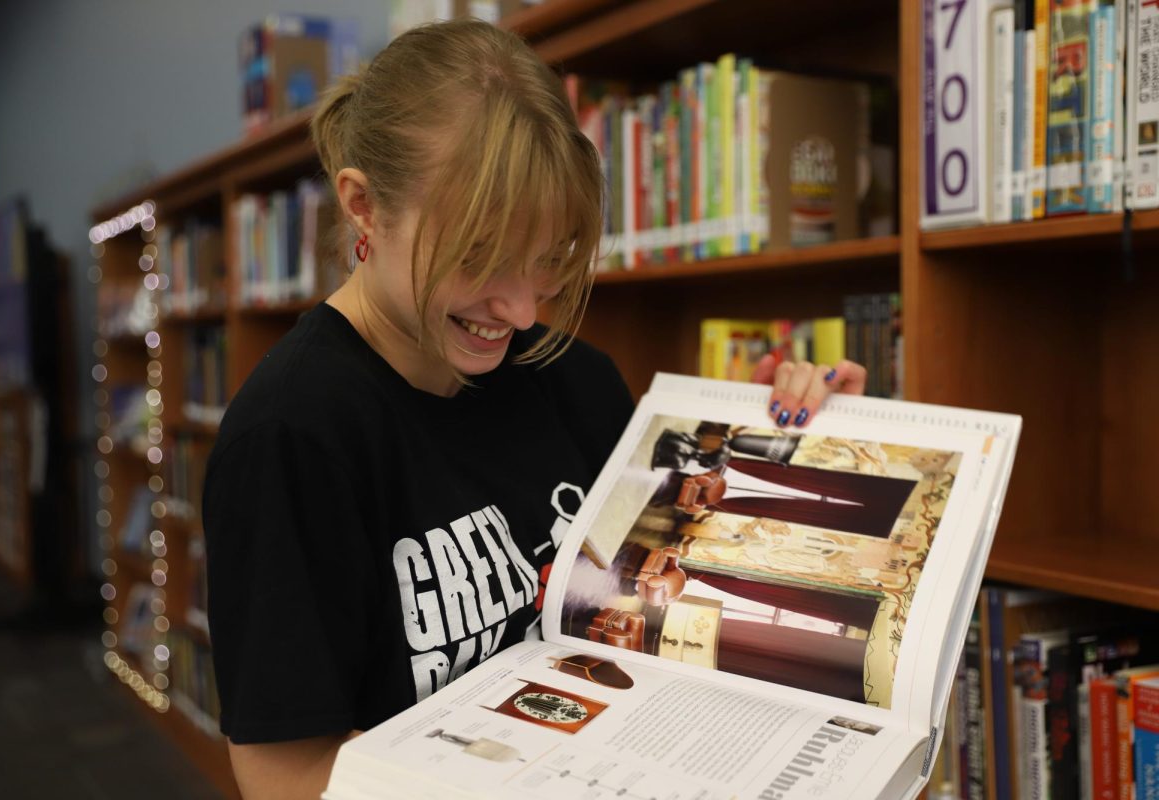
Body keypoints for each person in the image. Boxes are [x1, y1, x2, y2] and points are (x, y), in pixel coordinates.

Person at [201, 18, 867, 800]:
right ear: (364, 208)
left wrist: (795, 441)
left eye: (549, 263)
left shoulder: (574, 381)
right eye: (478, 260)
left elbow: (669, 607)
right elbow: (287, 775)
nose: (519, 312)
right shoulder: (293, 436)